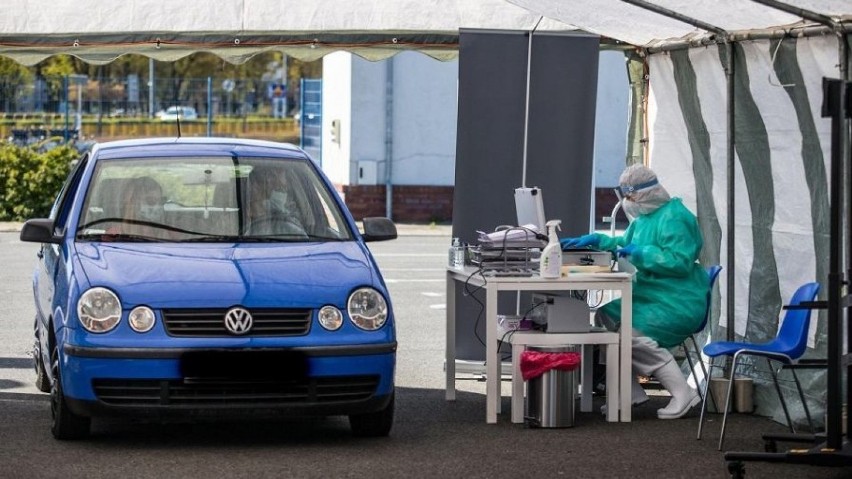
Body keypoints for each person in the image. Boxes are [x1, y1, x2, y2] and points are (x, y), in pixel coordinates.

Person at [561, 164, 709, 419]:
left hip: (679, 299)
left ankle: (683, 393)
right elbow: (625, 244)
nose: (628, 202)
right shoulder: (644, 219)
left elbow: (680, 262)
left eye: (632, 197)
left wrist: (645, 254)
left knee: (630, 333)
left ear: (649, 192)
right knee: (605, 316)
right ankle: (629, 390)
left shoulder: (676, 217)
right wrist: (599, 241)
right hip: (652, 294)